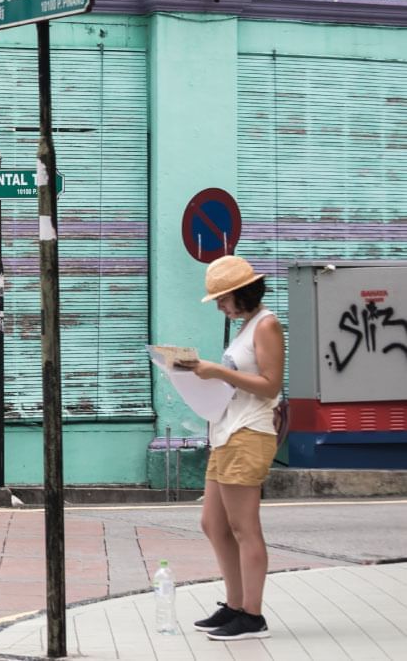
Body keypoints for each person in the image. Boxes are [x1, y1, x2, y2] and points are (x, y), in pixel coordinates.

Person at [175, 255, 283, 642]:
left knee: (243, 527)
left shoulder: (266, 325)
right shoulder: (246, 327)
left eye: (223, 298)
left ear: (242, 293)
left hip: (248, 432)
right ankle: (235, 605)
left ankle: (252, 615)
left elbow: (270, 385)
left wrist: (217, 371)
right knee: (213, 523)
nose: (219, 306)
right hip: (225, 431)